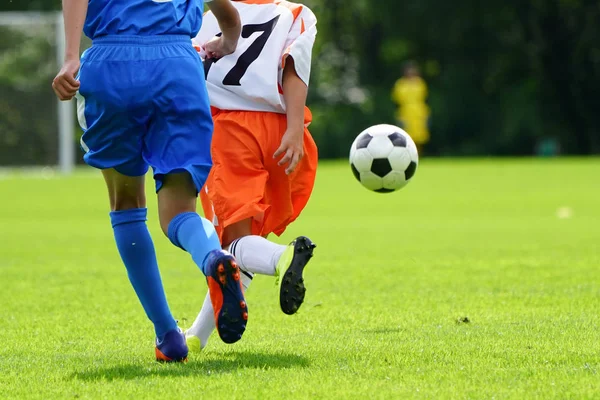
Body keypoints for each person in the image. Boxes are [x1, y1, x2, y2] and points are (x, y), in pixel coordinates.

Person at [51, 0, 245, 363]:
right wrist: (228, 37)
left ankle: (168, 335)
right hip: (177, 65)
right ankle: (212, 256)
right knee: (179, 211)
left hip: (113, 61)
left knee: (126, 204)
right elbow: (227, 13)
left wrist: (70, 56)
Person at [184, 0, 318, 352]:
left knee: (231, 243)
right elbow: (294, 68)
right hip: (281, 131)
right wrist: (292, 130)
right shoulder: (296, 13)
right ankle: (197, 337)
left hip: (231, 131)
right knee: (238, 250)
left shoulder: (210, 16)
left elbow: (186, 70)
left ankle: (281, 258)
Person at [392, 62, 431, 154]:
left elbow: (424, 97)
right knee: (406, 135)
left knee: (420, 137)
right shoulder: (400, 84)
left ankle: (418, 155)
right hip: (405, 112)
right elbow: (396, 99)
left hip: (419, 112)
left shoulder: (420, 83)